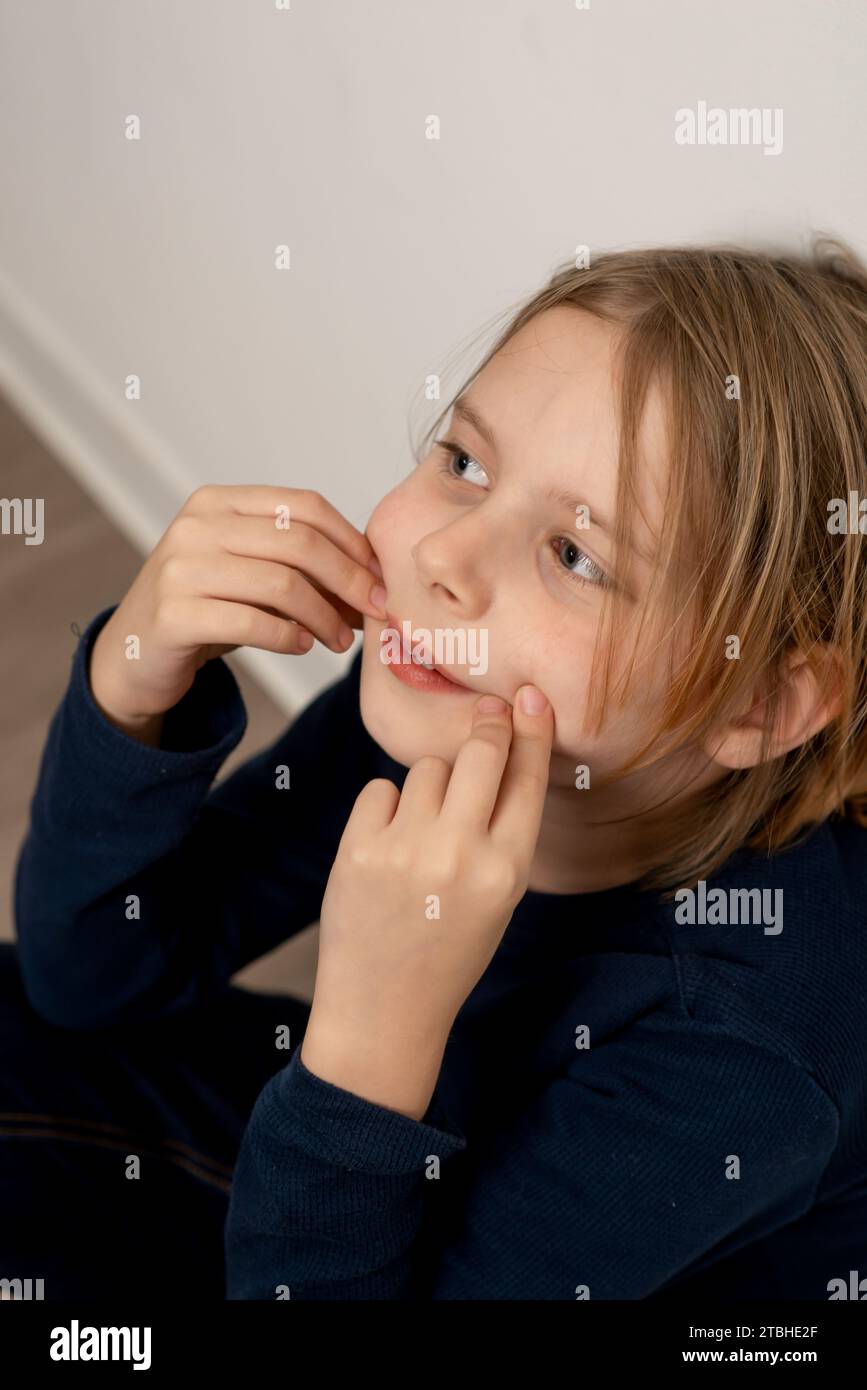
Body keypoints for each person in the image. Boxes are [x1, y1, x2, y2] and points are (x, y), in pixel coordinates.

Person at [6, 242, 867, 1300]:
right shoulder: (441, 705)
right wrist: (130, 693)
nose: (444, 562)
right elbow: (87, 979)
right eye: (464, 463)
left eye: (577, 556)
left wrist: (372, 1032)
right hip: (387, 1156)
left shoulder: (747, 1051)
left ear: (757, 704)